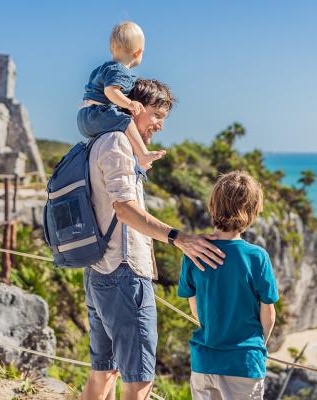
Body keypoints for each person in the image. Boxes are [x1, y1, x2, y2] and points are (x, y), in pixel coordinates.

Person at [80, 79, 226, 400]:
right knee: (139, 380)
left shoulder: (101, 141)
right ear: (134, 107)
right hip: (124, 273)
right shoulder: (117, 142)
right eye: (157, 115)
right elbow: (124, 210)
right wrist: (177, 237)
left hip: (99, 271)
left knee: (104, 371)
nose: (159, 125)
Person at [178, 171, 279, 400]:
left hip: (204, 361)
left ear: (213, 205)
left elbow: (196, 310)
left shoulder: (194, 253)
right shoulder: (256, 257)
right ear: (251, 211)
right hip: (243, 363)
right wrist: (256, 347)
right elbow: (269, 315)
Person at [77, 21, 165, 170]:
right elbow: (110, 91)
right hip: (96, 114)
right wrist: (129, 103)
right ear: (138, 53)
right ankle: (143, 154)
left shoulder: (103, 68)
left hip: (84, 116)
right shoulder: (119, 70)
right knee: (126, 121)